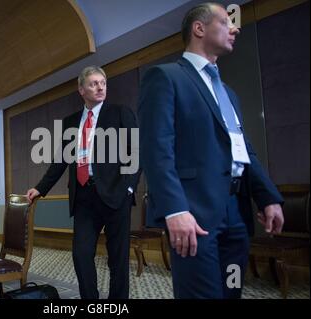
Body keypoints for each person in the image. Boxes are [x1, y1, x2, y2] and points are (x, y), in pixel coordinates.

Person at [138, 3, 285, 299]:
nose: (236, 28)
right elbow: (156, 150)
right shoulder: (165, 77)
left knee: (231, 291)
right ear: (199, 28)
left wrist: (267, 196)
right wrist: (175, 209)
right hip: (195, 214)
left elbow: (243, 150)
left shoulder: (228, 92)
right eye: (226, 21)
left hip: (237, 214)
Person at [26, 66, 140, 299]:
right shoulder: (70, 122)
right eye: (93, 83)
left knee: (117, 259)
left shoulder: (120, 112)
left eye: (103, 83)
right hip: (84, 198)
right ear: (81, 89)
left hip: (116, 196)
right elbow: (61, 161)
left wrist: (128, 188)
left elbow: (136, 152)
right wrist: (40, 187)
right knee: (81, 254)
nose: (100, 87)